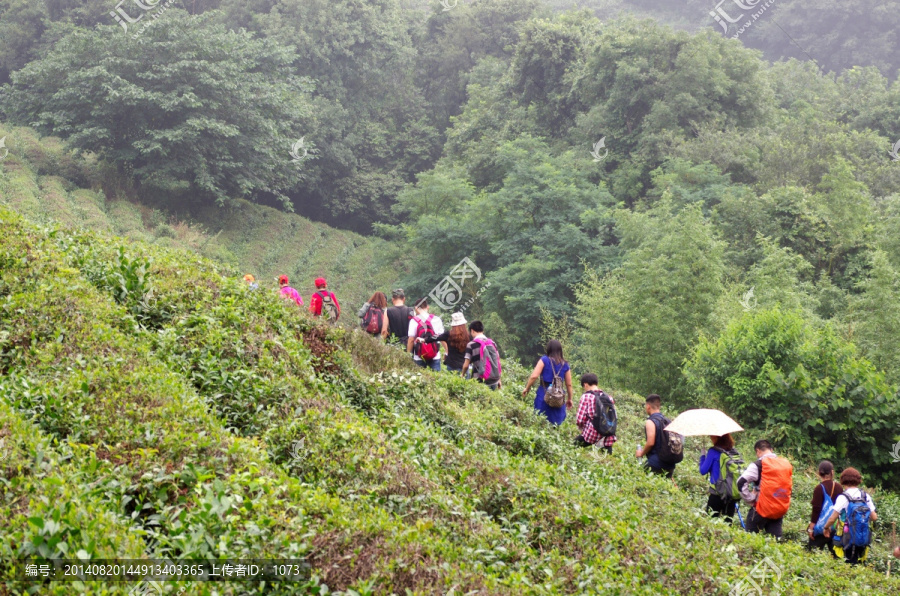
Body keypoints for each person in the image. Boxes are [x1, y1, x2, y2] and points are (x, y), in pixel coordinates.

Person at [737, 440, 793, 539]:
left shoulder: (758, 465)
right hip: (778, 509)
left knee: (749, 539)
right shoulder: (784, 464)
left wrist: (750, 498)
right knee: (776, 542)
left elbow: (740, 482)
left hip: (760, 509)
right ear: (771, 450)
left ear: (758, 451)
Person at [823, 468, 878, 565]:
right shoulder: (865, 496)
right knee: (858, 565)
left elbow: (832, 518)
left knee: (843, 564)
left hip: (846, 538)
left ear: (843, 480)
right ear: (858, 480)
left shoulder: (843, 497)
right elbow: (874, 517)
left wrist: (826, 527)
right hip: (862, 537)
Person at [522, 340, 573, 425]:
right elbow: (569, 384)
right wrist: (570, 399)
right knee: (556, 423)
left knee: (540, 419)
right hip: (558, 395)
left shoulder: (544, 360)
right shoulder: (565, 365)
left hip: (544, 392)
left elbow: (534, 376)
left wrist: (527, 388)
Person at [698, 434, 740, 521]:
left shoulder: (713, 451)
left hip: (716, 493)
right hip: (730, 494)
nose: (710, 438)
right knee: (727, 525)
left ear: (717, 437)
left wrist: (702, 456)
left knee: (710, 522)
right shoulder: (733, 451)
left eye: (712, 436)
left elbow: (703, 470)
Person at [635, 394, 676, 479]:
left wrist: (641, 453)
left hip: (656, 462)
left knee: (643, 480)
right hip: (670, 464)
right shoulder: (668, 421)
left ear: (648, 406)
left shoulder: (651, 421)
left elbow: (650, 442)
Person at [573, 373, 616, 454]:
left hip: (592, 434)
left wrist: (582, 429)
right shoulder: (608, 397)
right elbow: (614, 417)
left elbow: (580, 420)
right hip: (608, 434)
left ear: (585, 385)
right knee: (608, 457)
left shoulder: (586, 397)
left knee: (572, 446)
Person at [807, 460, 843, 557]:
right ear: (832, 472)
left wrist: (811, 528)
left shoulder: (819, 488)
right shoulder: (839, 487)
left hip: (820, 529)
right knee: (837, 558)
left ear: (819, 473)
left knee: (812, 557)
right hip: (834, 527)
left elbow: (816, 510)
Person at [460, 320, 502, 390]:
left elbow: (466, 365)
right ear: (482, 330)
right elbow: (497, 361)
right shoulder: (492, 343)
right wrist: (499, 379)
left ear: (472, 331)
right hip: (493, 380)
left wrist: (462, 375)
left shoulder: (471, 345)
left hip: (479, 380)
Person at [407, 299, 445, 371]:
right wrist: (447, 352)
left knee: (418, 379)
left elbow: (411, 339)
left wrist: (408, 354)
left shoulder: (413, 321)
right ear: (428, 307)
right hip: (435, 355)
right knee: (436, 379)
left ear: (416, 308)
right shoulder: (436, 319)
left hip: (419, 356)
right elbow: (442, 338)